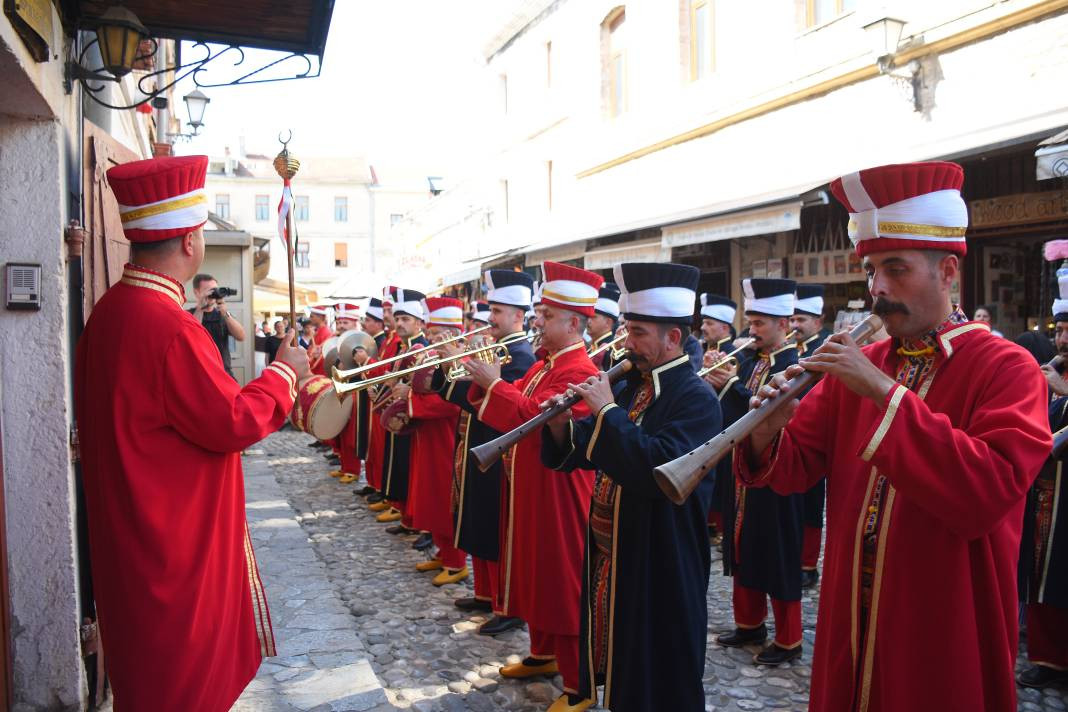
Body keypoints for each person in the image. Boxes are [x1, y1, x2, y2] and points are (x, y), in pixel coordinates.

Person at [737, 161, 1050, 711]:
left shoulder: (1007, 366)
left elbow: (988, 491)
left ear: (948, 272)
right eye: (871, 271)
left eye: (896, 269)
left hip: (944, 620)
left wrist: (883, 391)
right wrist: (766, 431)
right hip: (849, 616)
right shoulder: (864, 363)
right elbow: (793, 471)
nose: (877, 289)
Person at [74, 155, 310, 711]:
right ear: (188, 242)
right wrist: (283, 373)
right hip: (171, 545)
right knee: (180, 686)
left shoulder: (109, 312)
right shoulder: (171, 327)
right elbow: (232, 421)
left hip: (129, 538)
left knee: (145, 679)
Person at [542, 262, 722, 712]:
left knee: (659, 672)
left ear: (673, 338)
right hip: (615, 556)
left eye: (638, 333)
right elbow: (593, 448)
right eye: (627, 330)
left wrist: (606, 412)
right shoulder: (632, 384)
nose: (626, 342)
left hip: (660, 561)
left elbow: (658, 470)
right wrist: (562, 425)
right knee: (623, 666)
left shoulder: (696, 399)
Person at [463, 261, 602, 712]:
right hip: (531, 485)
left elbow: (533, 418)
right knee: (536, 569)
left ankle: (579, 683)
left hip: (560, 491)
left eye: (546, 315)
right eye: (539, 313)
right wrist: (482, 380)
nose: (537, 321)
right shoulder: (546, 366)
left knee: (562, 577)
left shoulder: (579, 370)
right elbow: (514, 404)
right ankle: (543, 652)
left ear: (574, 324)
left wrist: (494, 383)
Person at [433, 270, 536, 633]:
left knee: (495, 530)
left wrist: (456, 364)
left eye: (497, 311)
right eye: (491, 310)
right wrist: (448, 366)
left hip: (500, 449)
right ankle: (486, 592)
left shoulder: (520, 356)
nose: (490, 318)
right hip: (480, 443)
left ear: (518, 316)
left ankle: (507, 605)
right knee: (477, 519)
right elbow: (462, 394)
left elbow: (484, 400)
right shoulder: (498, 349)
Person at [711, 277, 805, 665]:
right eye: (750, 323)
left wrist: (732, 385)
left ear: (783, 324)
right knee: (744, 545)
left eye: (759, 323)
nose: (751, 331)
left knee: (777, 551)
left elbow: (770, 413)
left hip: (779, 470)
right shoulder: (753, 360)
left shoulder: (795, 365)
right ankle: (749, 623)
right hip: (742, 467)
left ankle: (789, 637)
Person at [1017, 265, 1068, 688]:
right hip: (1050, 491)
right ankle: (1049, 658)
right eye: (1060, 330)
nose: (1062, 339)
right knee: (1045, 571)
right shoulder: (1055, 369)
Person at [400, 297, 468, 584]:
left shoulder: (461, 361)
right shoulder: (435, 356)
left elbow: (449, 404)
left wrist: (410, 400)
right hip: (429, 437)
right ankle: (442, 551)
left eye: (436, 332)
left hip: (446, 440)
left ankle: (455, 562)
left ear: (451, 332)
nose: (430, 337)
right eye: (430, 331)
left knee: (444, 499)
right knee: (429, 494)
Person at [790, 284, 832, 588]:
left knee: (812, 504)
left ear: (818, 321)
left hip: (816, 431)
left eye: (801, 320)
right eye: (792, 319)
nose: (795, 325)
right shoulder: (795, 349)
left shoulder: (825, 348)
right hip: (794, 431)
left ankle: (808, 563)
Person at [376, 289, 430, 524]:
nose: (399, 323)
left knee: (406, 464)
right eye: (397, 318)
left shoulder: (421, 347)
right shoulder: (404, 347)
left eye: (405, 319)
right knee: (397, 459)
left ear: (418, 322)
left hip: (412, 412)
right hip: (400, 408)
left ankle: (407, 511)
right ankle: (399, 505)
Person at [698, 293, 740, 546]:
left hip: (726, 425)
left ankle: (721, 526)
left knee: (723, 478)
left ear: (725, 327)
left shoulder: (735, 354)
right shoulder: (704, 350)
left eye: (709, 323)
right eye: (704, 322)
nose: (703, 327)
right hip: (707, 427)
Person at [331, 302, 364, 484]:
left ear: (354, 323)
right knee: (342, 429)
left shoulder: (361, 342)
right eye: (339, 322)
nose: (341, 325)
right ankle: (345, 465)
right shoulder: (340, 340)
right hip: (344, 388)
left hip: (356, 390)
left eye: (346, 322)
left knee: (352, 433)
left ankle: (352, 468)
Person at [189, 274, 246, 377]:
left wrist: (226, 313)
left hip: (223, 373)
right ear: (197, 292)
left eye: (215, 289)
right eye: (208, 290)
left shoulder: (222, 315)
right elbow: (191, 334)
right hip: (199, 374)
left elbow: (241, 336)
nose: (213, 293)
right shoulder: (188, 315)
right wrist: (201, 308)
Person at [588, 282, 620, 370]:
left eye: (593, 317)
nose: (588, 321)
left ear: (608, 322)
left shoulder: (612, 352)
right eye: (588, 316)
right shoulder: (592, 348)